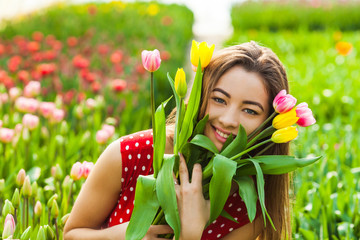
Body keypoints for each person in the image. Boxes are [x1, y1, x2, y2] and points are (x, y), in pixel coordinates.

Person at [63, 41, 291, 240]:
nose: (229, 120)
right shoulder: (132, 154)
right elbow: (71, 234)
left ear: (269, 122)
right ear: (201, 94)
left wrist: (189, 236)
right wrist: (120, 236)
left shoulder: (251, 205)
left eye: (250, 111)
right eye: (219, 99)